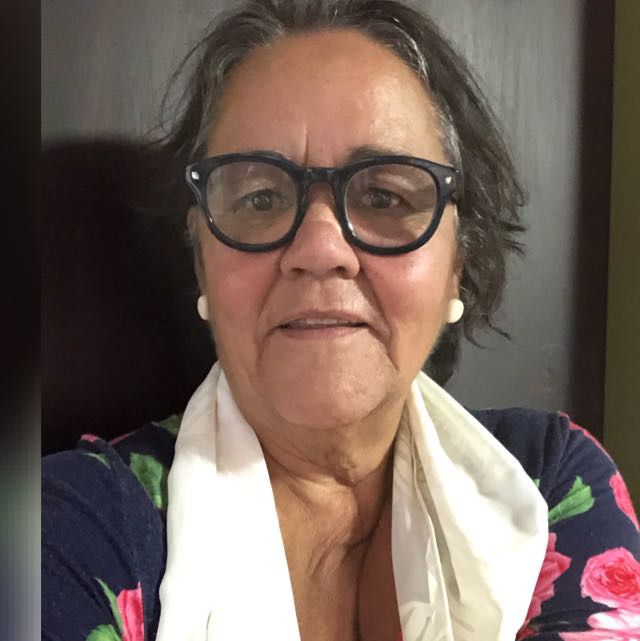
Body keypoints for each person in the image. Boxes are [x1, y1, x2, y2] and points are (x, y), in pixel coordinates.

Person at [42, 1, 640, 640]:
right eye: (260, 198)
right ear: (202, 262)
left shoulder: (550, 485)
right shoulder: (68, 534)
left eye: (385, 196)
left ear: (457, 264)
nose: (320, 248)